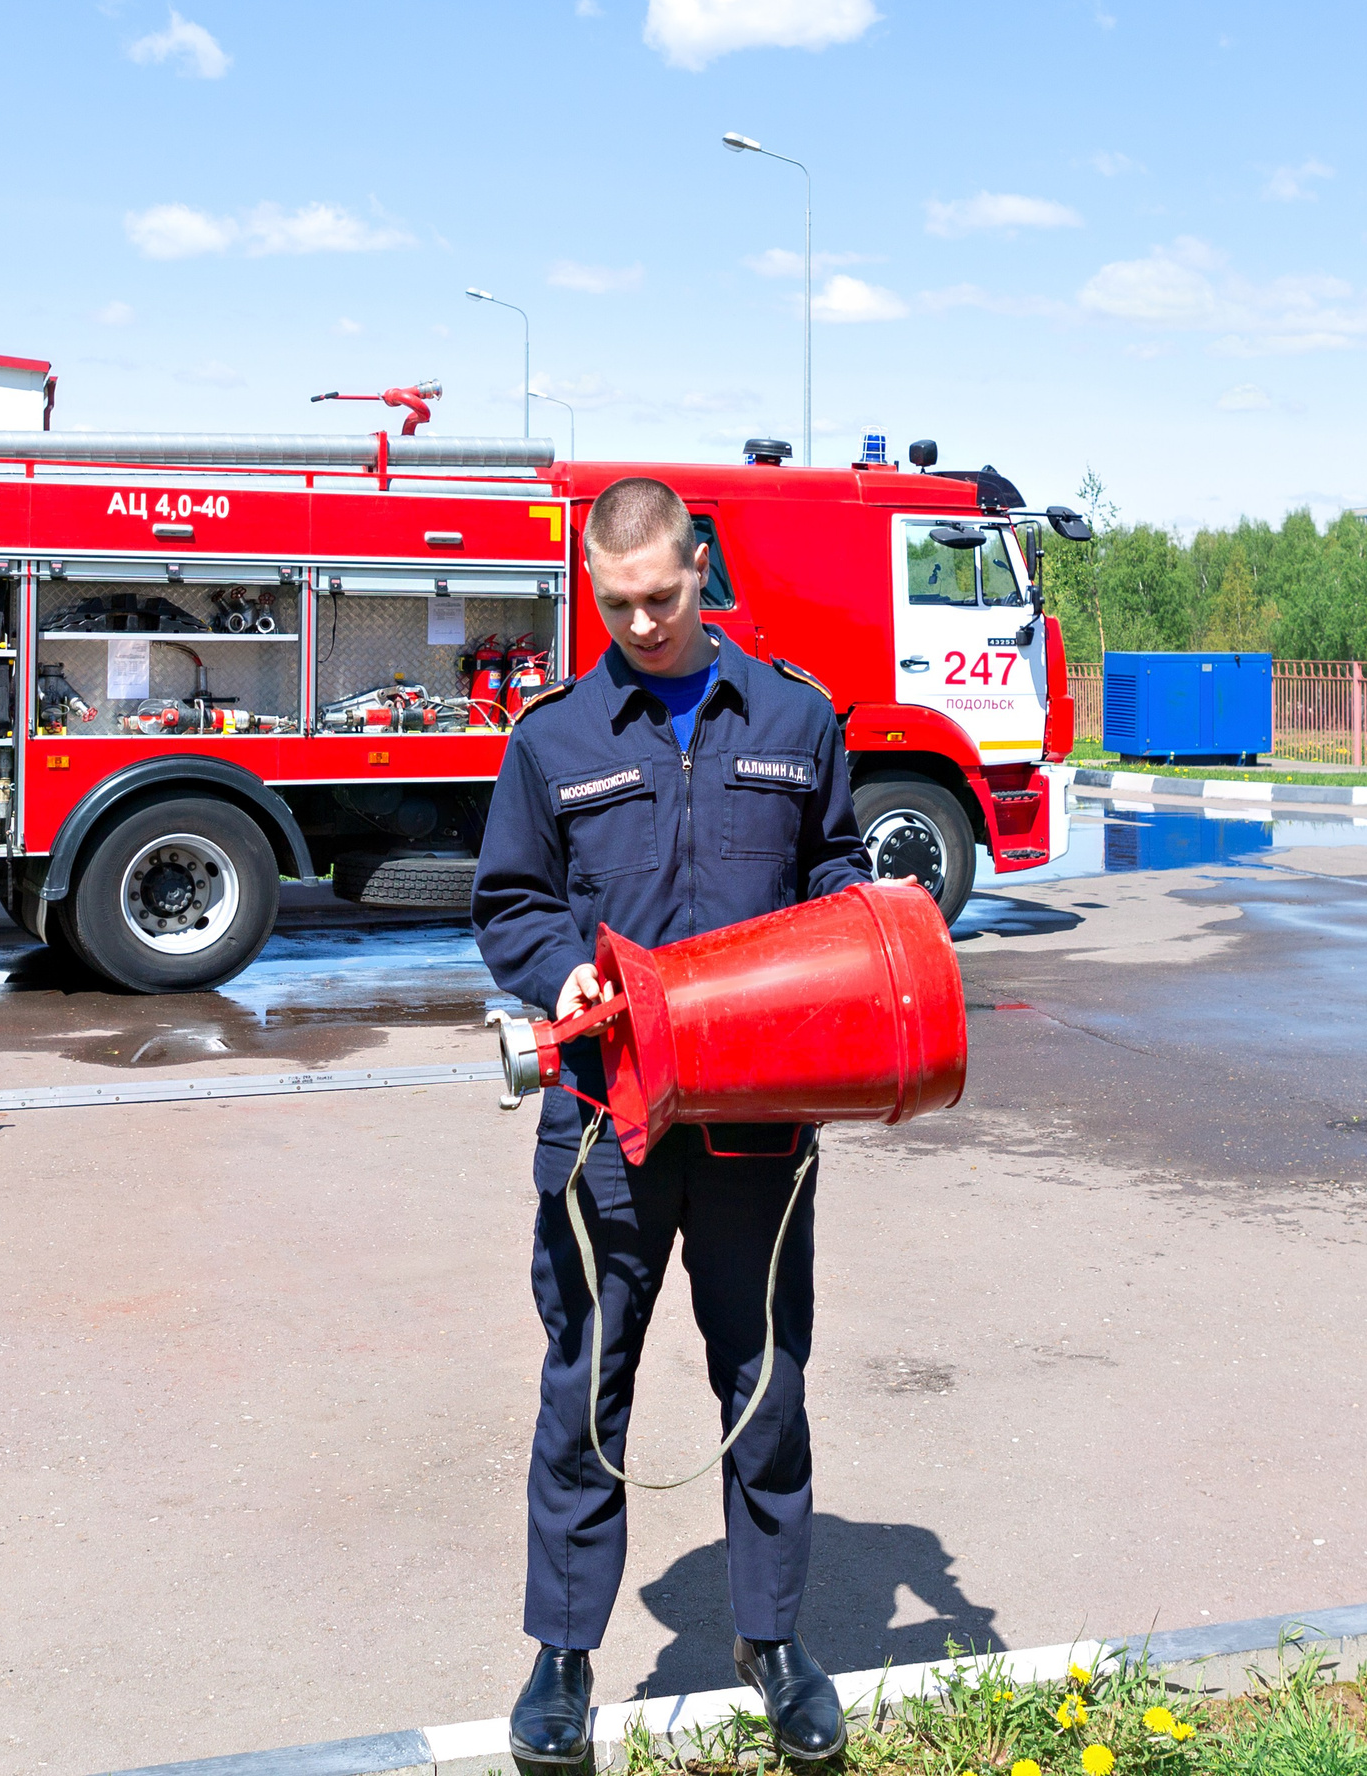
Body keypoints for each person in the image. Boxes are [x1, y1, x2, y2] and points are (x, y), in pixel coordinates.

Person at [472, 476, 874, 1773]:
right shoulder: (555, 737)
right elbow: (510, 900)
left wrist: (863, 918)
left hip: (757, 1121)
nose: (642, 623)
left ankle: (774, 1640)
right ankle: (562, 1655)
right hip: (608, 1123)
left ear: (701, 567)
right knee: (586, 1388)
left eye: (661, 596)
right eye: (617, 604)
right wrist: (557, 972)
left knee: (764, 1383)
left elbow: (834, 872)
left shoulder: (797, 716)